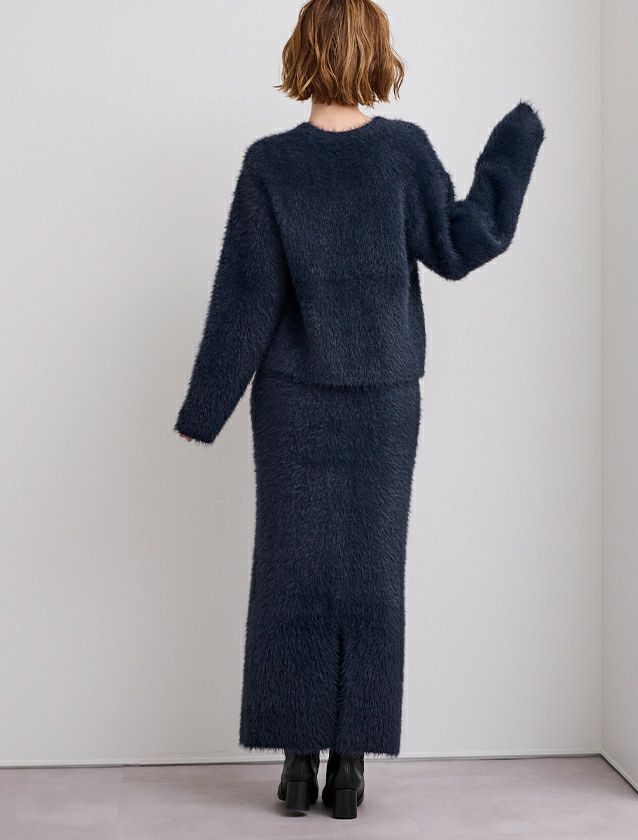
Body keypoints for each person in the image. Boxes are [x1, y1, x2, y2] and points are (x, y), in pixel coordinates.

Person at [174, 0, 544, 820]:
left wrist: (206, 408)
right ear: (376, 53)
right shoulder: (403, 152)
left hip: (291, 400)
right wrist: (514, 149)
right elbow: (462, 244)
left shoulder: (270, 163)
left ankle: (296, 765)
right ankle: (350, 768)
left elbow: (246, 297)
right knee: (372, 576)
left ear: (301, 52)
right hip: (385, 399)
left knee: (290, 572)